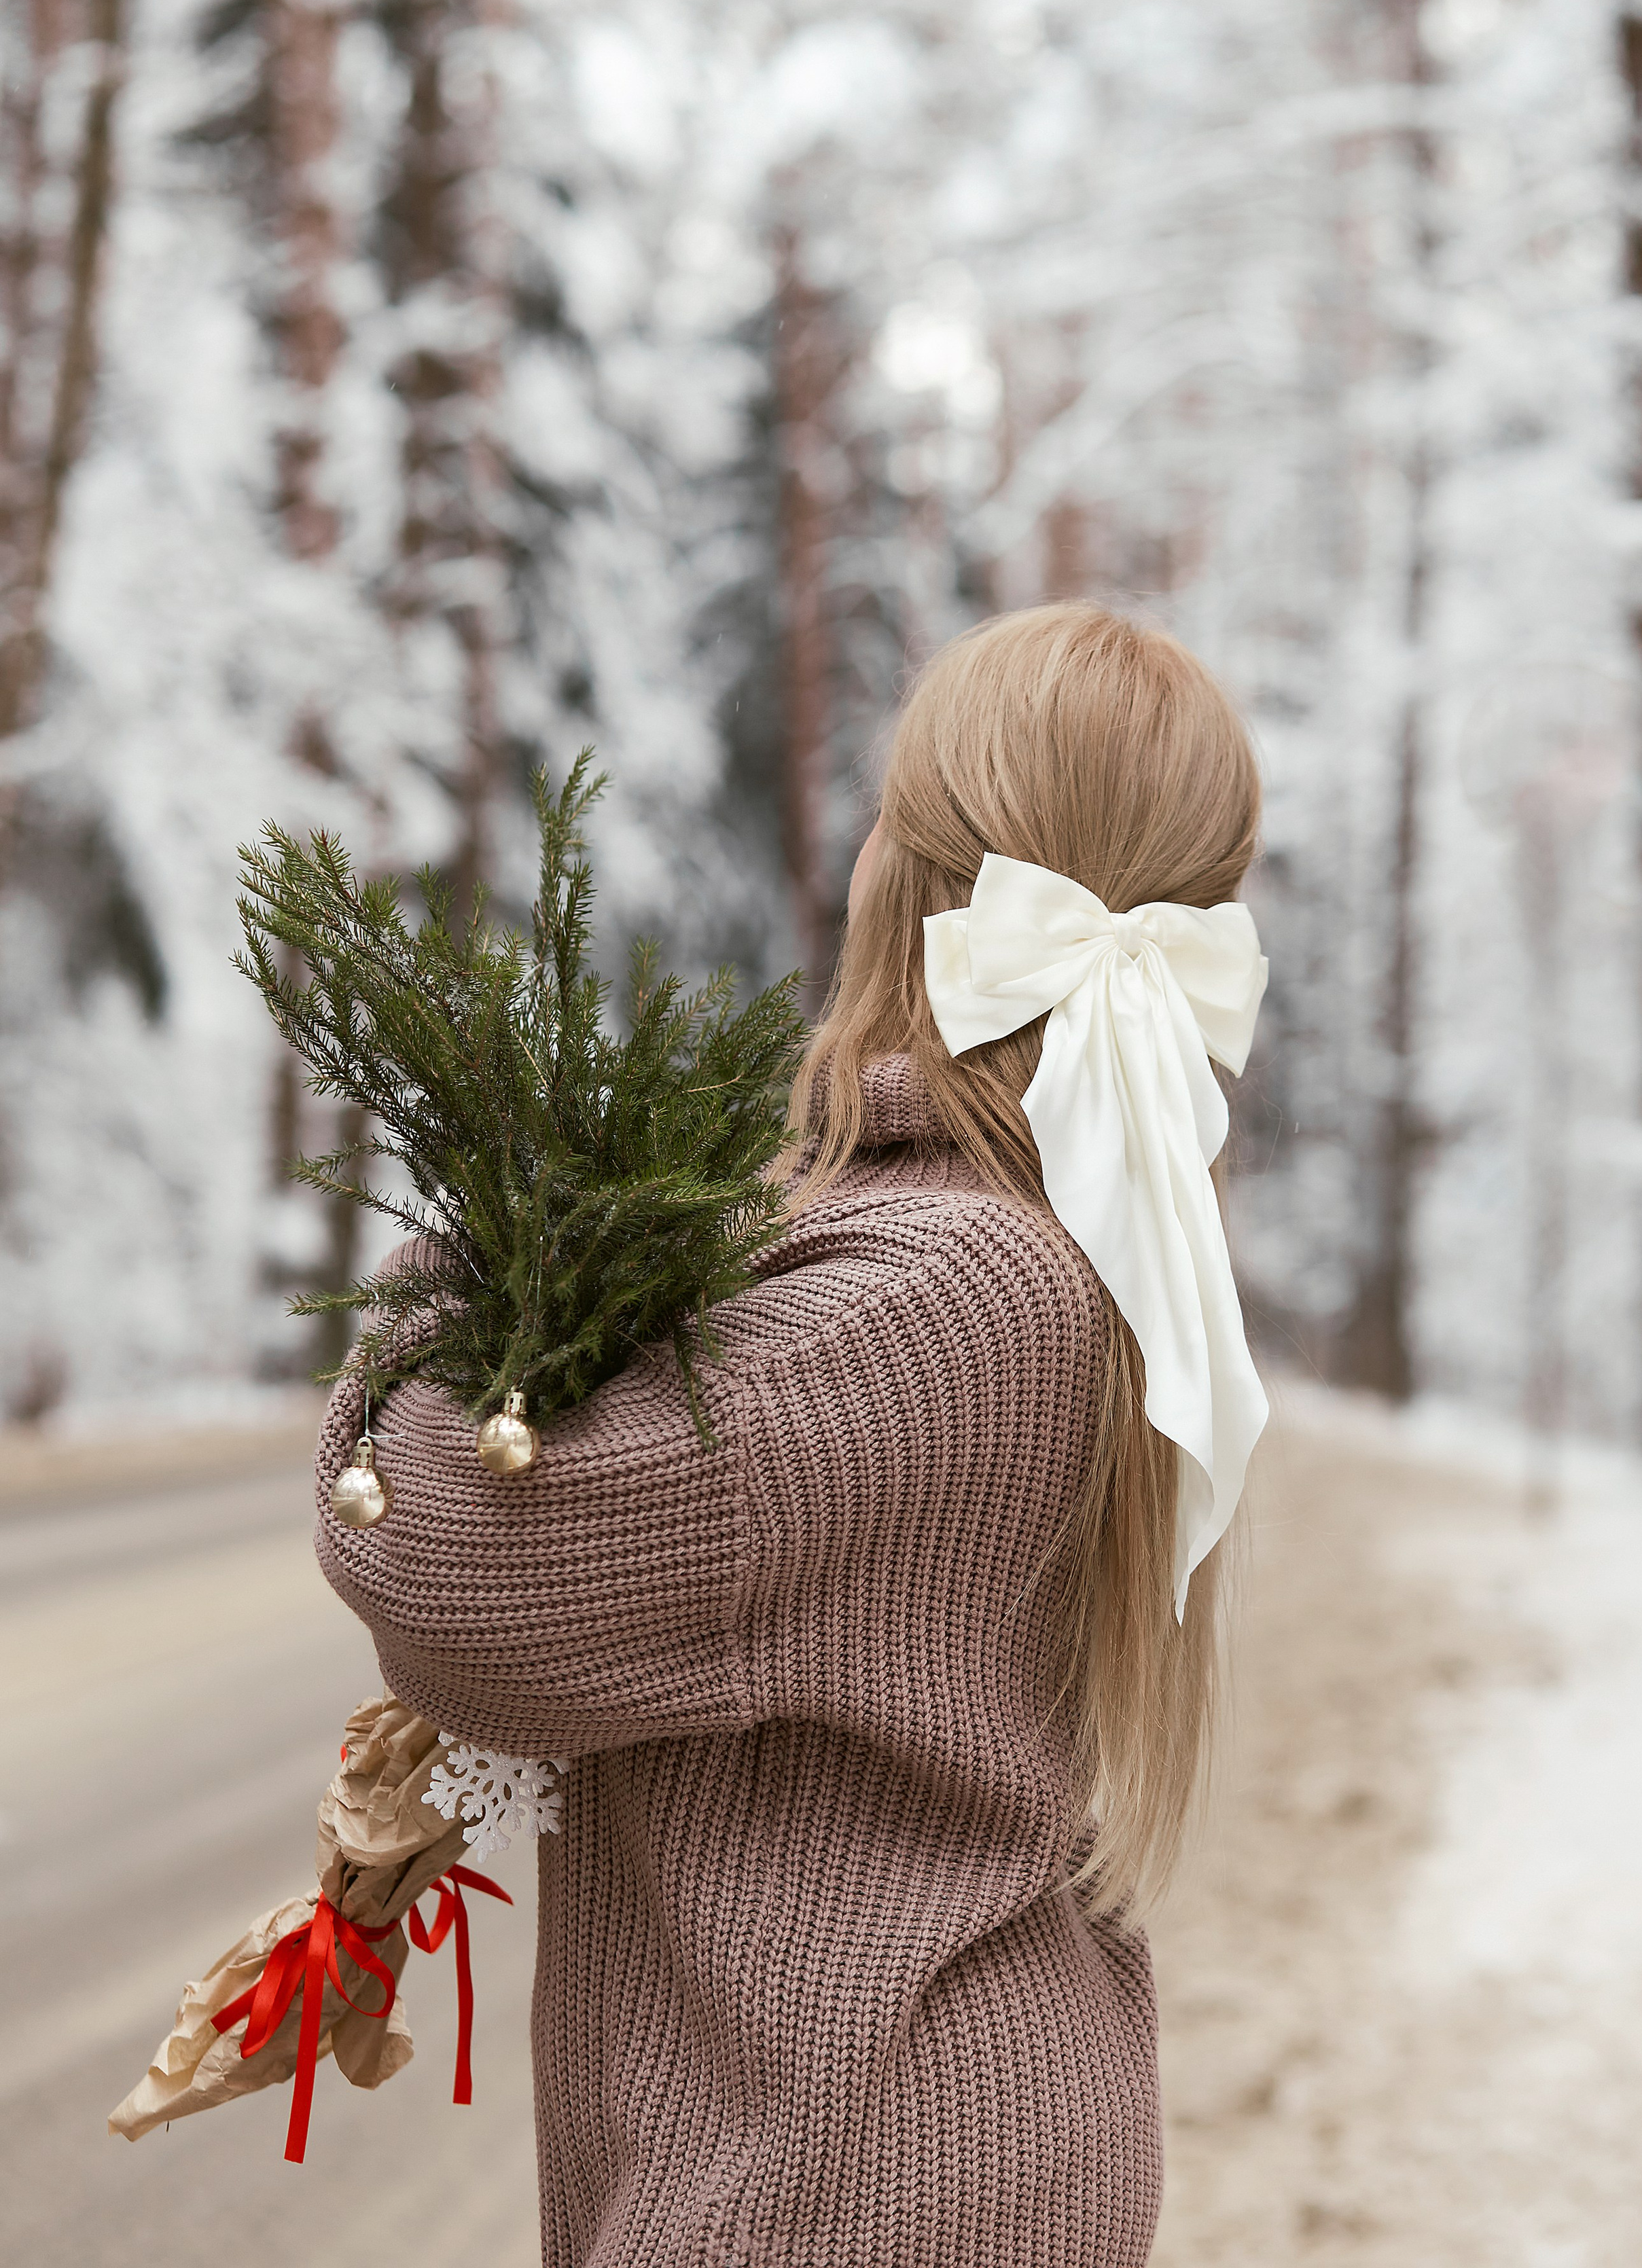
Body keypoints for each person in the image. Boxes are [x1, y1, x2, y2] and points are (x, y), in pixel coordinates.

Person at [316, 598, 1268, 2268]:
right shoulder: (1046, 1237)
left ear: (902, 879)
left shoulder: (918, 1303)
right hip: (939, 2148)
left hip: (840, 2185)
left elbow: (447, 1566)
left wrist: (458, 1271)